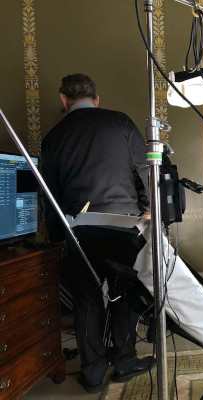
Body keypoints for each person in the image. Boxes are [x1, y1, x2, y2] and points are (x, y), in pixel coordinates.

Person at [41, 74, 153, 393]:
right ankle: (125, 361)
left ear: (64, 100)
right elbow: (148, 166)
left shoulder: (52, 138)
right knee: (126, 293)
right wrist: (152, 211)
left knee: (86, 299)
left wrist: (56, 237)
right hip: (123, 224)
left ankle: (91, 374)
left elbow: (48, 195)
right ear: (97, 98)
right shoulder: (119, 122)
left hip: (79, 229)